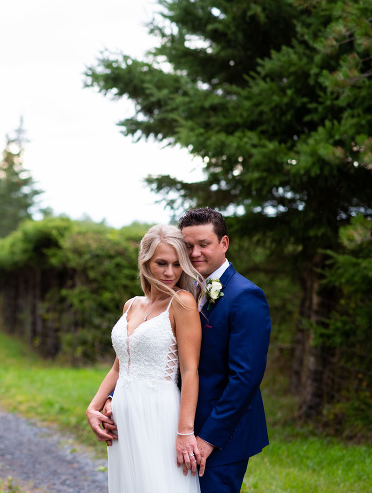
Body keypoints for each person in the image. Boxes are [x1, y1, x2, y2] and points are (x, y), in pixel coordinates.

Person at [99, 208, 272, 493]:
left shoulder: (245, 296)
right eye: (188, 246)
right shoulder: (180, 289)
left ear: (224, 243)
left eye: (204, 244)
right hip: (167, 425)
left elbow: (246, 378)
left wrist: (207, 439)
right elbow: (149, 354)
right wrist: (114, 397)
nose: (194, 254)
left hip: (221, 437)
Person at [86, 224, 203, 493]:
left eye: (177, 264)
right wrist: (94, 406)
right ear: (145, 262)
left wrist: (185, 431)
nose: (170, 272)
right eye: (161, 263)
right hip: (123, 415)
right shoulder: (131, 304)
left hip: (159, 413)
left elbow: (189, 371)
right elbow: (120, 365)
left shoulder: (182, 303)